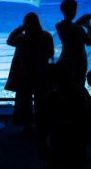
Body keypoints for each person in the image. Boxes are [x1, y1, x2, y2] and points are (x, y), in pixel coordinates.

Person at [39, 59, 91, 169]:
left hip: (57, 144)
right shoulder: (83, 93)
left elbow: (43, 125)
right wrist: (88, 139)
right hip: (77, 143)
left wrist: (43, 148)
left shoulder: (51, 96)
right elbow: (89, 119)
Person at [5, 12, 54, 143]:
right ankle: (42, 123)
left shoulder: (21, 39)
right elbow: (51, 53)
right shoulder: (46, 36)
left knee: (24, 101)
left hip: (25, 74)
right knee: (42, 99)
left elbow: (9, 41)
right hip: (41, 73)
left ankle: (27, 125)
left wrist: (19, 29)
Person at [55, 0, 91, 86]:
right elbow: (90, 42)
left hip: (65, 58)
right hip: (79, 63)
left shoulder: (58, 26)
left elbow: (70, 27)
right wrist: (88, 26)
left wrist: (80, 21)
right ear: (73, 11)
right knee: (78, 86)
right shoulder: (78, 29)